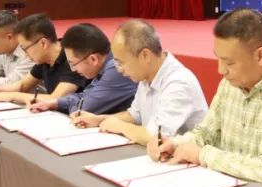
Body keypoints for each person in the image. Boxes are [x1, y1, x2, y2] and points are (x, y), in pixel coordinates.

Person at [152, 8, 262, 187]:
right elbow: (205, 133)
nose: (221, 70)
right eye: (218, 58)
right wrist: (174, 144)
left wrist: (203, 155)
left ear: (260, 56)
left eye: (229, 62)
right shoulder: (230, 83)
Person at [72, 19, 207, 143]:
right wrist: (99, 119)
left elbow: (157, 136)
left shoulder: (178, 82)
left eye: (121, 62)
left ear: (145, 56)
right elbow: (135, 115)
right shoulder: (146, 75)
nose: (119, 69)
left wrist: (120, 126)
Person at [28, 23, 136, 116]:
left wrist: (67, 106)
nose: (73, 70)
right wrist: (55, 103)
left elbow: (84, 109)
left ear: (93, 59)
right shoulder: (104, 66)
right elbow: (86, 96)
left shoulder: (116, 68)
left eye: (73, 64)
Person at [0, 13, 87, 104]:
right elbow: (22, 85)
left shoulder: (72, 58)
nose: (25, 54)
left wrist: (13, 96)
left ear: (43, 43)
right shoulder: (43, 60)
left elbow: (55, 99)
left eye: (25, 48)